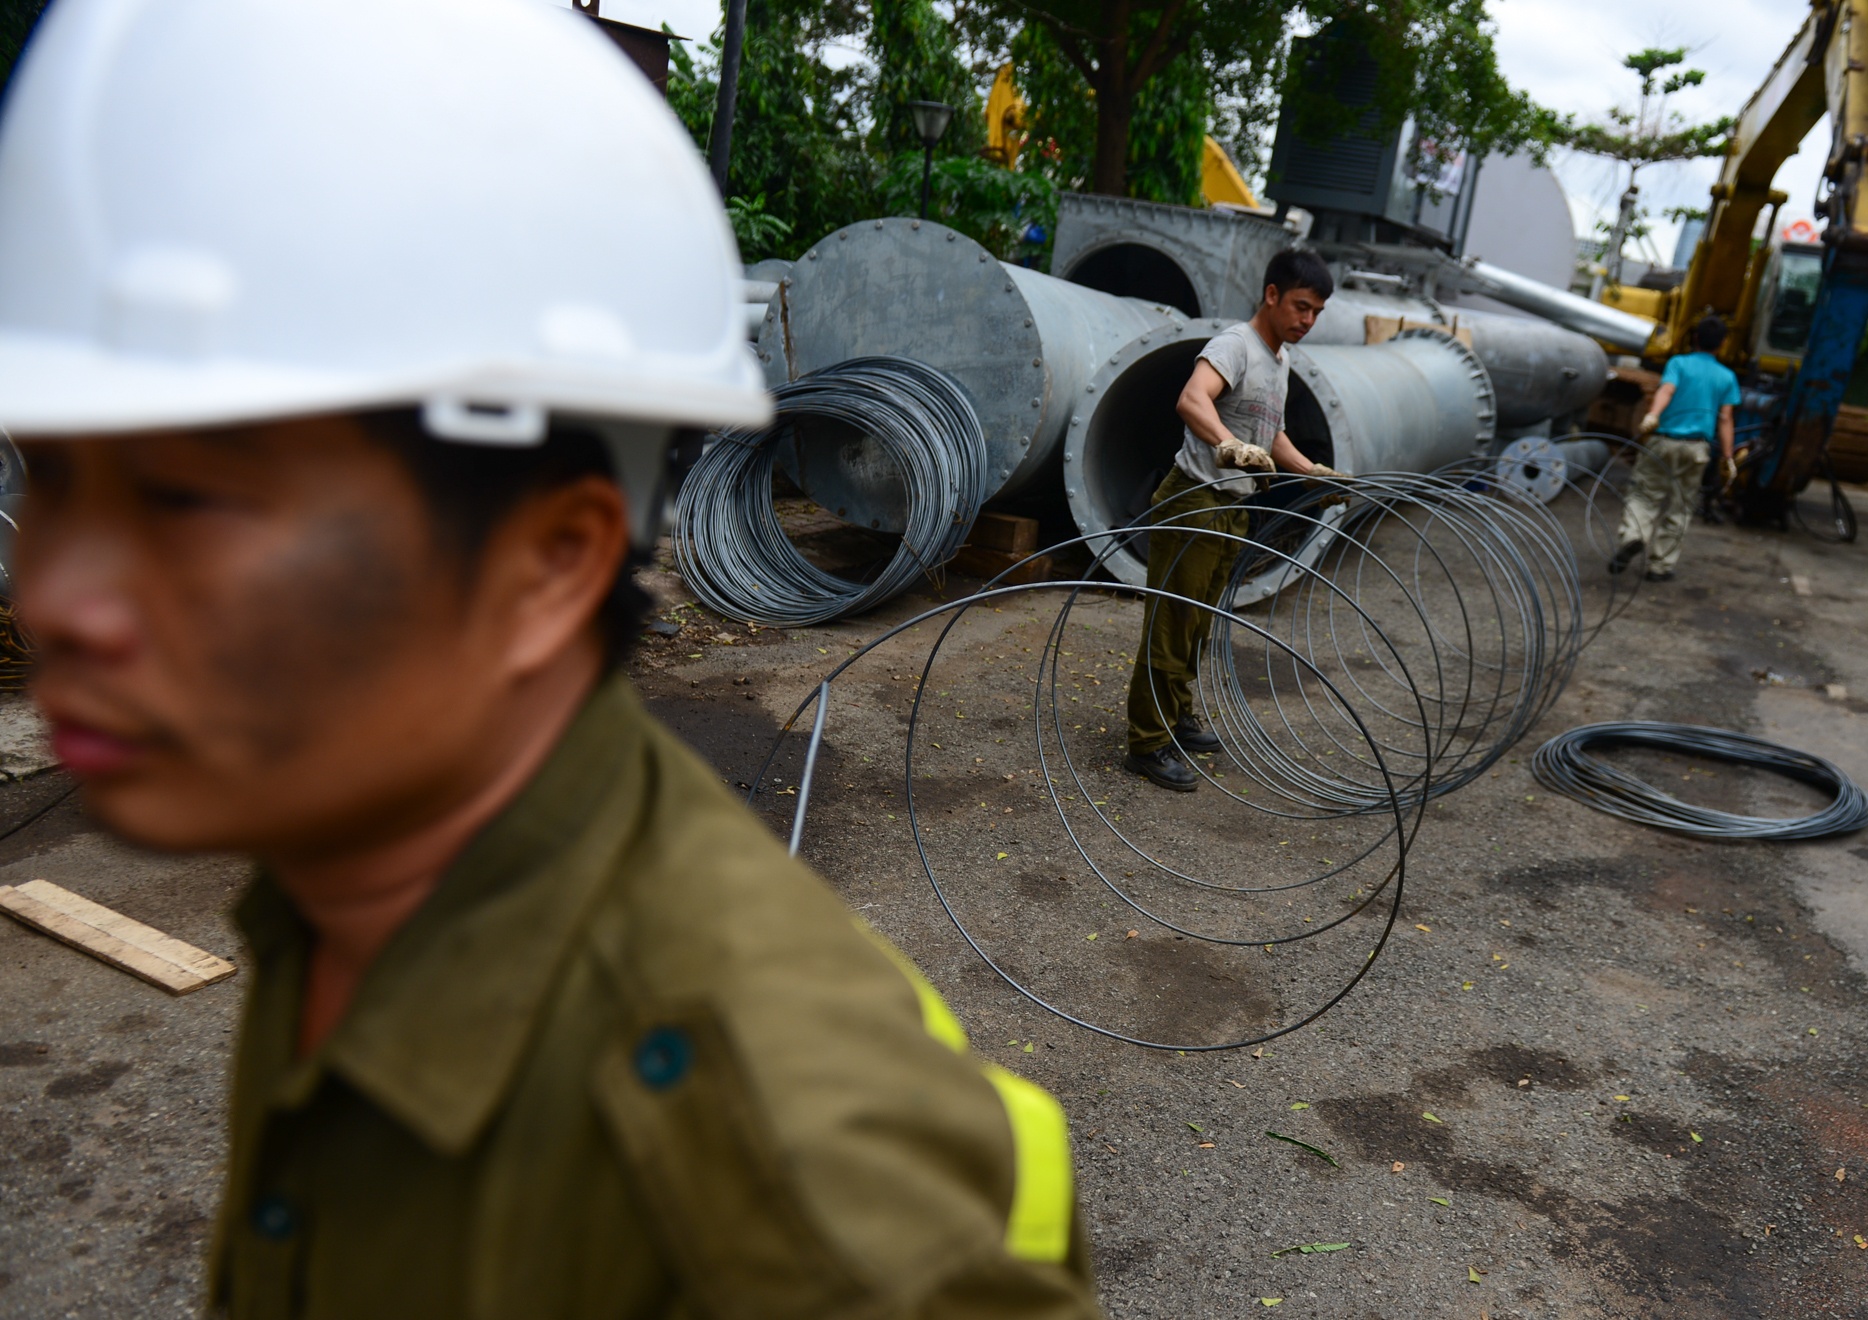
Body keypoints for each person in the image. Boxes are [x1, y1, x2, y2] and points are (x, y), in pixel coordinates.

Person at [0, 1, 1102, 1316]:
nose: (53, 595)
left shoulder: (786, 1191)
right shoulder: (346, 890)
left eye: (187, 501)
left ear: (547, 565)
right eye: (50, 477)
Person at [1122, 248, 1339, 792]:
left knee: (1197, 622)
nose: (1308, 320)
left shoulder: (1280, 360)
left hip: (1233, 506)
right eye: (1301, 306)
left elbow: (1271, 434)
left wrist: (1312, 472)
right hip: (1195, 498)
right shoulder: (1235, 345)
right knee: (1172, 621)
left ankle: (1177, 716)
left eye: (1317, 312)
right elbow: (1192, 399)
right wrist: (1227, 444)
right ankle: (1147, 743)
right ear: (1272, 295)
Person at [1611, 314, 1739, 581]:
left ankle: (1634, 536)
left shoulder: (1678, 363)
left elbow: (1666, 391)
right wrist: (1728, 456)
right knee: (1681, 507)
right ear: (1723, 344)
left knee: (1645, 495)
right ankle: (1660, 567)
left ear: (1695, 338)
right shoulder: (1727, 377)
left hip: (1664, 441)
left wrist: (1653, 415)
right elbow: (1725, 418)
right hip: (1696, 449)